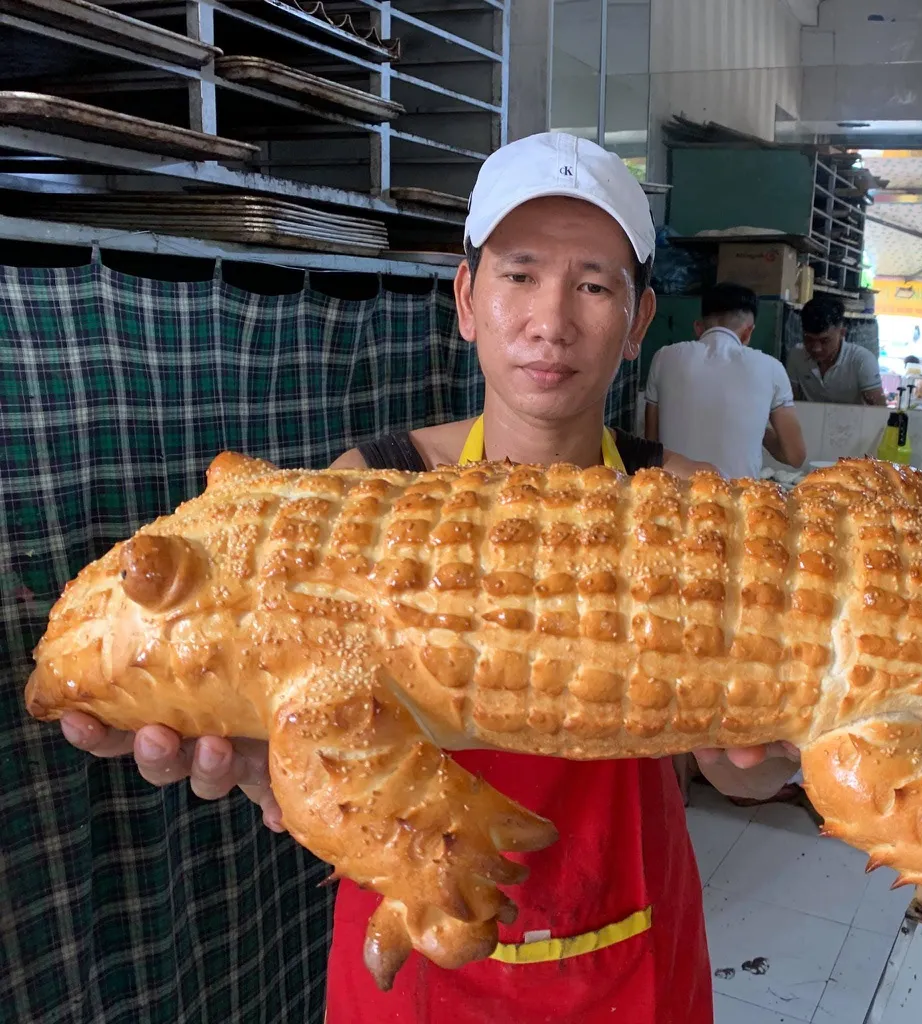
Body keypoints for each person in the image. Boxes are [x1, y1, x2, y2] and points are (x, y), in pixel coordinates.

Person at [55, 131, 801, 1024]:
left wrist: (768, 758)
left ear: (638, 320)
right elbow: (297, 754)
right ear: (466, 298)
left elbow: (749, 776)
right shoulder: (360, 492)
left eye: (593, 285)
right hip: (414, 956)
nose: (549, 320)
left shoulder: (687, 510)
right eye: (518, 275)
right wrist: (265, 771)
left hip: (629, 953)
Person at [643, 281, 806, 479]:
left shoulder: (663, 358)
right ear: (748, 332)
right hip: (737, 503)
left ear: (698, 327)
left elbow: (649, 449)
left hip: (674, 501)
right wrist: (757, 427)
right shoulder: (772, 368)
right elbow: (796, 456)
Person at [787, 294, 886, 405]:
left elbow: (879, 408)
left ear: (842, 333)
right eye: (808, 339)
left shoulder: (862, 360)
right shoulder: (797, 355)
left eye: (824, 341)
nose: (816, 349)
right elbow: (790, 402)